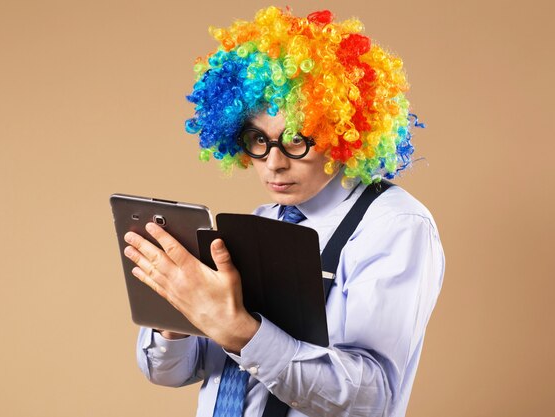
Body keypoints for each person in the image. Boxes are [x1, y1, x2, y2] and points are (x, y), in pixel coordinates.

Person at [123, 6, 445, 417]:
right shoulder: (262, 220)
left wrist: (238, 330)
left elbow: (371, 399)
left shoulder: (395, 226)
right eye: (257, 138)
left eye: (295, 139)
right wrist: (176, 311)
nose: (273, 163)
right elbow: (170, 372)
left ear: (342, 132)